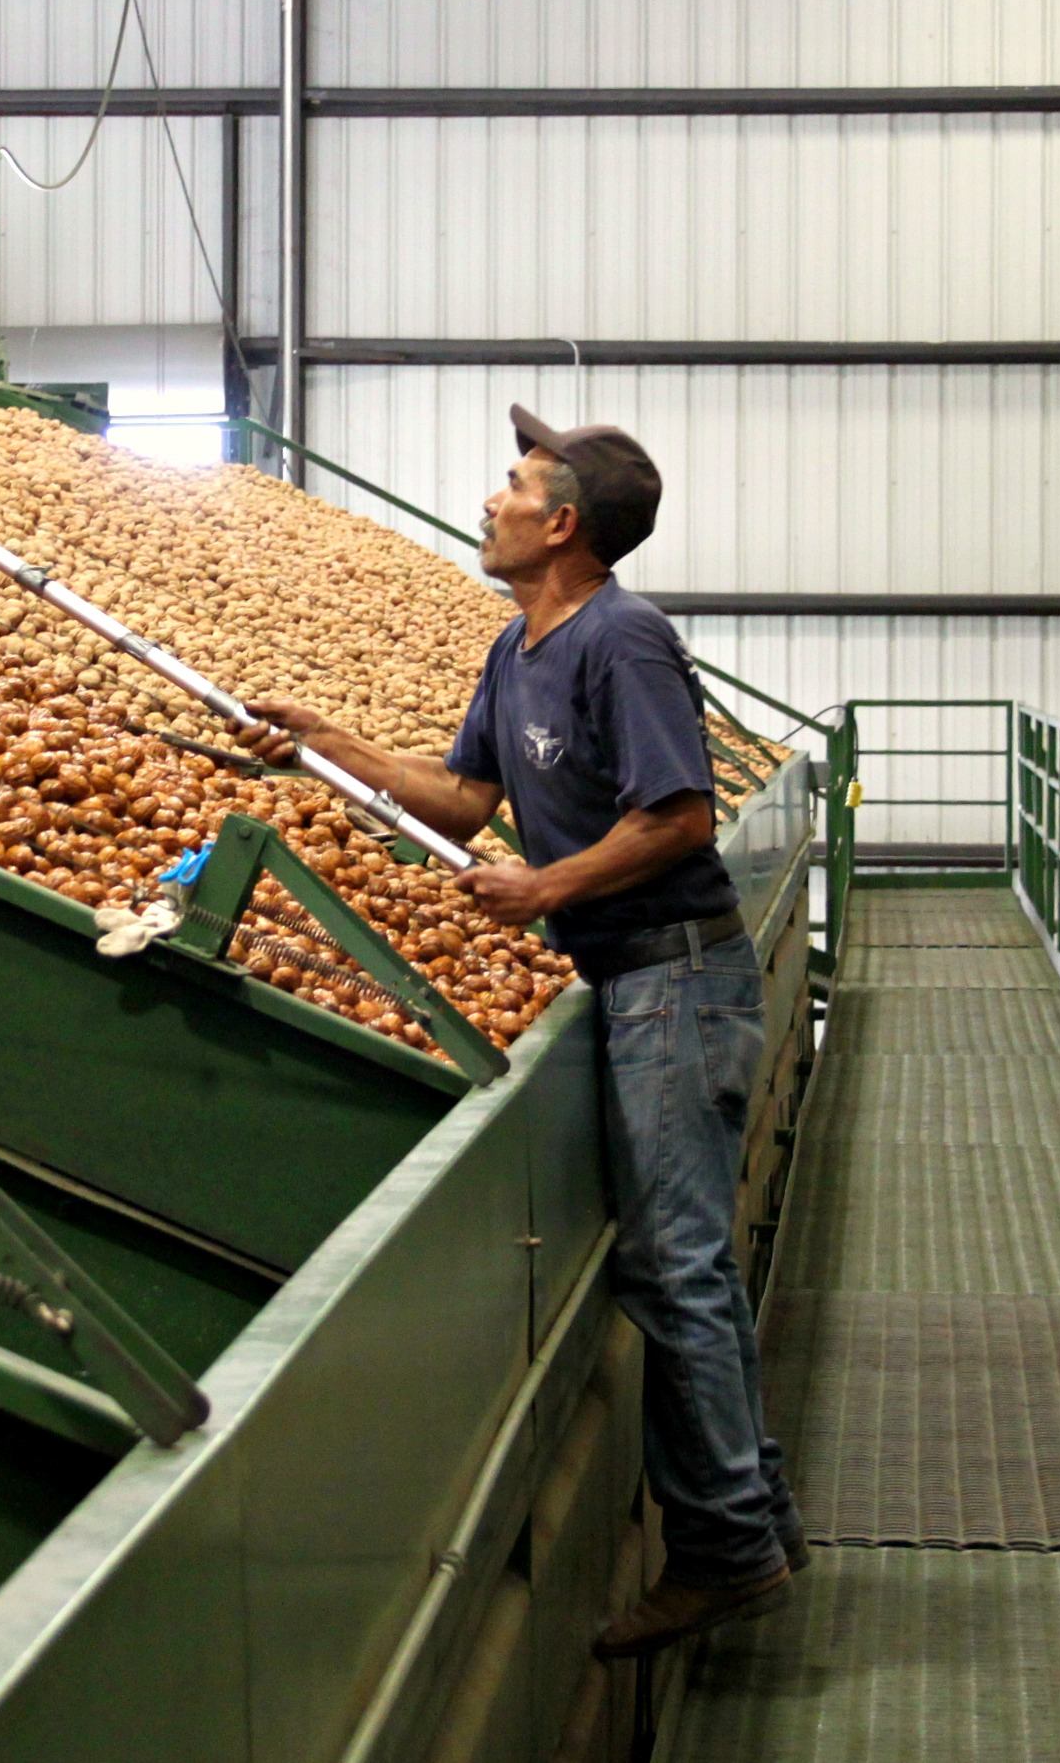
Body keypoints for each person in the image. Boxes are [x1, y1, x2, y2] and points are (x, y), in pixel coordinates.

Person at [240, 405, 805, 1658]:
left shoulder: (624, 639)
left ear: (562, 525)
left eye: (512, 485)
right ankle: (757, 1519)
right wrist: (324, 742)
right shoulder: (518, 647)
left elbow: (681, 817)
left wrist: (542, 889)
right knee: (682, 1262)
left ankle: (722, 1550)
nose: (489, 498)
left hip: (676, 979)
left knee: (678, 1267)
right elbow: (466, 795)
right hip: (622, 978)